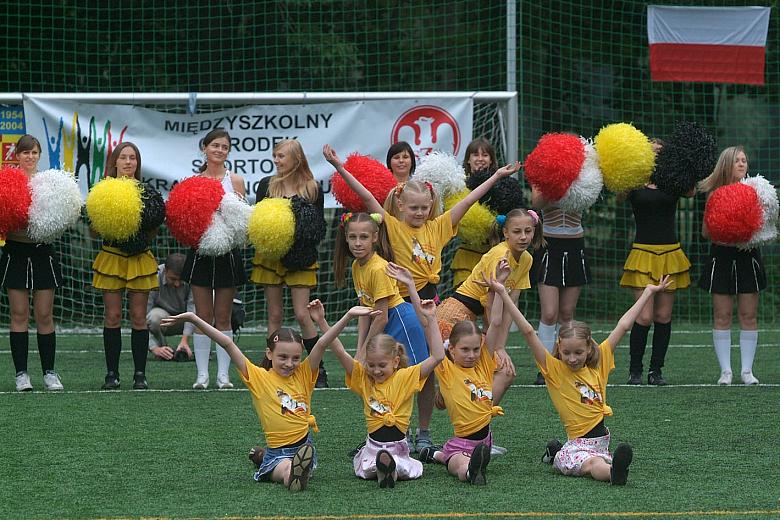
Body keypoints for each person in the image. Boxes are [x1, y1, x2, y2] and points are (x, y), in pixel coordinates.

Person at [323, 143, 520, 452]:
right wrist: (339, 167)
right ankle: (383, 434)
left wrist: (495, 176)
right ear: (400, 205)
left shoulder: (438, 226)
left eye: (424, 207)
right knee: (385, 370)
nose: (418, 212)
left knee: (427, 372)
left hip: (425, 307)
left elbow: (469, 199)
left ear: (431, 206)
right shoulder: (392, 226)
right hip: (398, 306)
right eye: (413, 207)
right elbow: (367, 197)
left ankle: (426, 433)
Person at [161, 303, 374, 491]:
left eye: (295, 358)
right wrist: (193, 318)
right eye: (282, 357)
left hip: (304, 446)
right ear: (269, 354)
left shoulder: (304, 373)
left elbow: (320, 344)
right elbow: (227, 344)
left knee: (293, 463)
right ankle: (293, 474)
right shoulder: (258, 377)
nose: (289, 363)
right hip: (278, 452)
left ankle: (283, 463)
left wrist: (348, 316)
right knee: (284, 468)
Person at [498, 274, 671, 485]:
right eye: (566, 352)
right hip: (578, 446)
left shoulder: (599, 363)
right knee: (592, 465)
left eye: (578, 352)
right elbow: (527, 331)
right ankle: (613, 474)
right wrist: (502, 294)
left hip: (601, 444)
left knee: (595, 459)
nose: (572, 359)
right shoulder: (554, 370)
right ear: (559, 349)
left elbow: (624, 325)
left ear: (589, 348)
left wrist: (648, 292)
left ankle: (556, 451)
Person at [435, 208, 543, 455]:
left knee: (504, 371)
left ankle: (476, 436)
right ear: (505, 232)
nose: (523, 236)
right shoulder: (499, 255)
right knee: (492, 372)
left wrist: (500, 346)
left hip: (475, 319)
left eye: (528, 231)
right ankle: (463, 437)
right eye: (517, 231)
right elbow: (491, 305)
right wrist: (496, 348)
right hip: (455, 316)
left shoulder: (526, 259)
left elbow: (509, 304)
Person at [313, 291, 445, 488]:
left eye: (382, 365)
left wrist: (431, 318)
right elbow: (339, 351)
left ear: (395, 361)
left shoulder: (405, 377)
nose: (375, 370)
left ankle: (388, 468)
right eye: (371, 365)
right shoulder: (364, 378)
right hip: (373, 448)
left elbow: (437, 357)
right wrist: (322, 321)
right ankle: (385, 468)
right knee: (370, 468)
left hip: (399, 447)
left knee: (399, 467)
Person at [417, 270, 514, 485]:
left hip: (484, 442)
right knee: (459, 464)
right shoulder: (446, 368)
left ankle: (435, 454)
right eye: (465, 350)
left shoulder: (484, 365)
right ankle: (471, 472)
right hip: (461, 446)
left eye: (475, 349)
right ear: (451, 349)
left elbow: (495, 323)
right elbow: (428, 329)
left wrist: (498, 287)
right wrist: (430, 315)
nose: (471, 355)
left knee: (449, 458)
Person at [251, 139, 328, 388]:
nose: (276, 160)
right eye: (275, 156)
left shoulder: (312, 188)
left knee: (302, 314)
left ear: (297, 158)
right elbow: (260, 221)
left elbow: (317, 228)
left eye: (281, 156)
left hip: (300, 258)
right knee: (274, 314)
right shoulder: (267, 185)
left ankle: (318, 369)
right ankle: (268, 368)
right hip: (271, 258)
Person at [620, 140, 693, 386]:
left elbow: (692, 190)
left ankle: (656, 371)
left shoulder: (672, 182)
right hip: (642, 253)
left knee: (663, 316)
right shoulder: (634, 181)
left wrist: (683, 163)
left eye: (660, 151)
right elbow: (618, 194)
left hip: (670, 254)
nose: (655, 154)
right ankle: (635, 370)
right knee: (643, 317)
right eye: (651, 150)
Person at [92, 142, 162, 390]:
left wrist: (137, 239)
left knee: (139, 317)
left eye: (133, 158)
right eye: (124, 157)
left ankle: (140, 375)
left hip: (140, 258)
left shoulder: (147, 193)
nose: (129, 162)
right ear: (115, 162)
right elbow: (93, 229)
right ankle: (112, 374)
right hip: (111, 256)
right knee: (111, 317)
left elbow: (154, 227)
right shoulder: (102, 190)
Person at [182, 128, 246, 390]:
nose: (220, 150)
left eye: (224, 147)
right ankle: (201, 375)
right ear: (205, 148)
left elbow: (242, 220)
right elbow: (186, 221)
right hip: (201, 253)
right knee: (202, 315)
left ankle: (223, 375)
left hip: (228, 253)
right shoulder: (193, 181)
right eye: (215, 146)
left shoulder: (236, 181)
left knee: (223, 315)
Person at [0, 134, 64, 391]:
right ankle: (21, 375)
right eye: (25, 152)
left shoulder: (48, 183)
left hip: (42, 253)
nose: (30, 156)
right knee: (18, 314)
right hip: (15, 253)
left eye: (34, 152)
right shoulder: (6, 183)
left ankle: (49, 373)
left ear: (39, 155)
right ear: (17, 156)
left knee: (44, 314)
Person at [697, 146, 765, 385]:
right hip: (722, 257)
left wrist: (749, 231)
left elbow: (766, 229)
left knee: (749, 314)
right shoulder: (714, 193)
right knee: (722, 315)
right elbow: (706, 232)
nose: (741, 164)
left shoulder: (757, 191)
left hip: (748, 257)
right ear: (726, 164)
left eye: (744, 160)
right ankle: (726, 372)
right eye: (737, 160)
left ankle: (747, 372)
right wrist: (725, 229)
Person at [333, 212, 427, 365]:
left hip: (401, 320)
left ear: (374, 237)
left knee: (415, 377)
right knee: (385, 378)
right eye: (352, 237)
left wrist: (364, 353)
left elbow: (381, 317)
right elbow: (365, 310)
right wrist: (359, 350)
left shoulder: (378, 269)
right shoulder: (356, 265)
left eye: (363, 237)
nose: (357, 243)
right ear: (346, 238)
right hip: (384, 320)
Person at [530, 185, 590, 385]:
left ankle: (567, 364)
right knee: (549, 313)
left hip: (575, 245)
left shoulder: (586, 172)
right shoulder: (544, 170)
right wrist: (557, 182)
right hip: (549, 245)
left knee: (566, 313)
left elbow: (589, 197)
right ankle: (545, 367)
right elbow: (536, 203)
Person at [451, 138, 499, 287]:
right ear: (468, 160)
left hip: (493, 253)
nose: (480, 159)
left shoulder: (502, 186)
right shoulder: (458, 186)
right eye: (475, 155)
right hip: (466, 254)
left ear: (491, 160)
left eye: (485, 155)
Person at [146, 253, 194, 361]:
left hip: (189, 318)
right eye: (173, 279)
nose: (177, 284)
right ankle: (164, 351)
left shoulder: (192, 277)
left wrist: (184, 341)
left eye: (181, 280)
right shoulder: (154, 277)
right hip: (165, 320)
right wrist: (154, 348)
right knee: (153, 317)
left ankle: (201, 351)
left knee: (208, 305)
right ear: (165, 270)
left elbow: (193, 309)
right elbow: (142, 317)